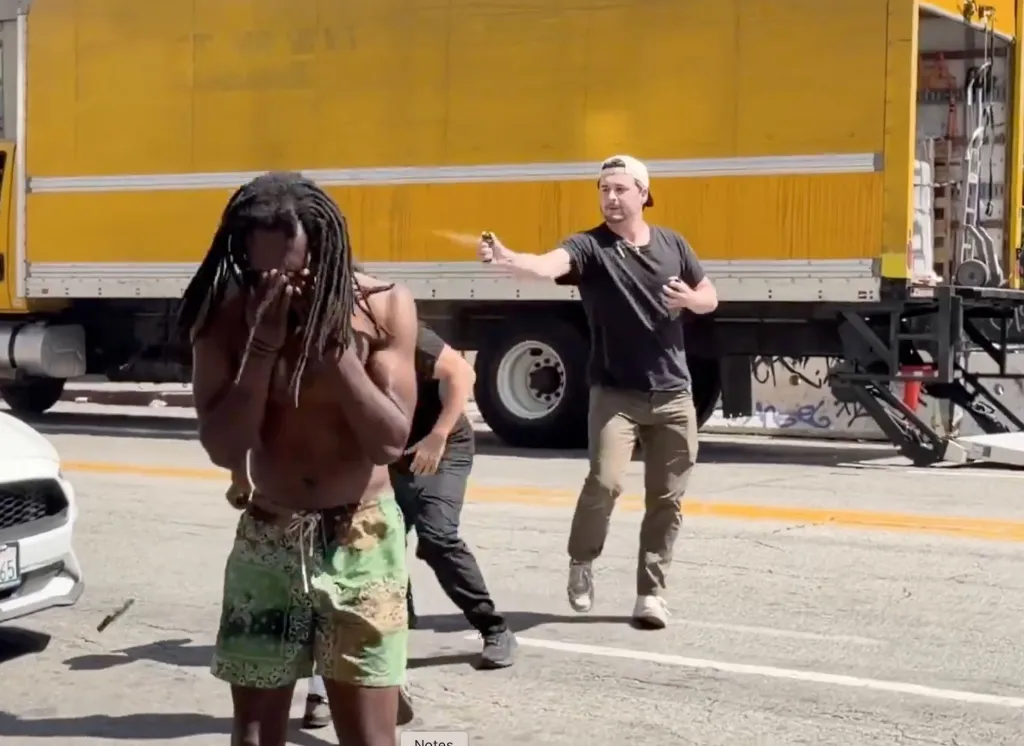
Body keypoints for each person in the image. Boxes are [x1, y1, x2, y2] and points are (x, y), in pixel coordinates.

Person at [179, 171, 418, 746]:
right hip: (270, 539)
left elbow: (388, 442)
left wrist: (333, 349)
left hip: (360, 539)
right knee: (257, 735)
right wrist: (262, 345)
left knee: (369, 737)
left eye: (293, 270)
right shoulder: (225, 317)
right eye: (262, 271)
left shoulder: (384, 307)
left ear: (326, 254)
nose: (277, 284)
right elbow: (223, 447)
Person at [477, 155, 718, 629]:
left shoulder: (673, 244)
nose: (610, 198)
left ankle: (651, 593)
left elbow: (710, 294)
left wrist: (692, 300)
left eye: (620, 189)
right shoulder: (590, 247)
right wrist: (509, 258)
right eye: (603, 189)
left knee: (666, 500)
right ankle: (582, 562)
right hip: (615, 396)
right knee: (604, 484)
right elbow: (547, 265)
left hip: (673, 395)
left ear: (644, 194)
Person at [390, 322, 517, 669]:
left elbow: (461, 372)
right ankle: (396, 612)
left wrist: (439, 434)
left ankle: (493, 627)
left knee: (437, 537)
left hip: (441, 444)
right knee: (375, 538)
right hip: (387, 452)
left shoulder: (395, 328)